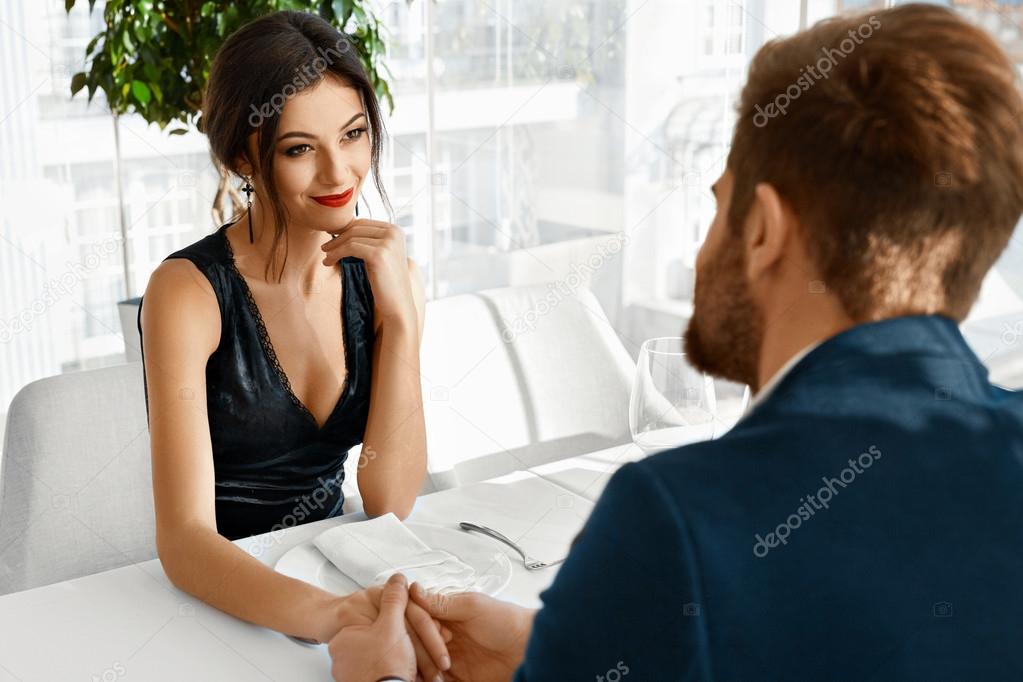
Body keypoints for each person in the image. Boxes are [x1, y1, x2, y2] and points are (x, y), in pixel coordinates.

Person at [328, 4, 1023, 679]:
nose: (699, 250)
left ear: (763, 230)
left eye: (717, 207)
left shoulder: (677, 522)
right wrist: (564, 650)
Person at [137, 11, 449, 678]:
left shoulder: (385, 274)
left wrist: (403, 322)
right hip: (220, 602)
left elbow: (390, 499)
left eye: (355, 134)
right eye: (300, 148)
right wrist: (330, 616)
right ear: (244, 158)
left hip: (334, 570)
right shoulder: (188, 293)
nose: (341, 171)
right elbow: (184, 542)